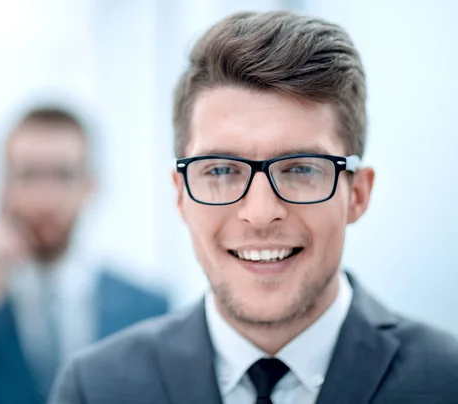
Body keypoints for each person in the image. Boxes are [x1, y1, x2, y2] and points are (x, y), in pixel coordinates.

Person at [51, 11, 458, 404]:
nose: (260, 213)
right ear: (180, 195)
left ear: (357, 195)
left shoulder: (446, 381)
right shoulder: (97, 388)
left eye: (301, 168)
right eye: (222, 170)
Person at [0, 105, 169, 404]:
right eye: (28, 175)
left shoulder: (148, 310)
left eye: (63, 175)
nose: (45, 198)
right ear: (2, 189)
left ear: (91, 186)